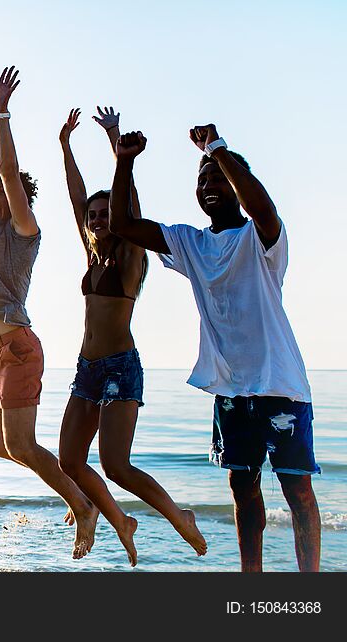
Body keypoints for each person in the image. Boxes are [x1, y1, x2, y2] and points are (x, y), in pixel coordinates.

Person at [109, 125, 320, 572]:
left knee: (297, 492)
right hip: (231, 390)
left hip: (281, 386)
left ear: (237, 183)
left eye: (218, 179)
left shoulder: (262, 239)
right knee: (243, 491)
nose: (209, 187)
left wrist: (217, 150)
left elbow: (263, 207)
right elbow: (123, 225)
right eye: (202, 180)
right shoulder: (192, 243)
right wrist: (124, 161)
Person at [57, 107, 207, 566]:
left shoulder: (128, 257)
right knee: (69, 462)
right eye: (94, 216)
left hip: (120, 369)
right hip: (87, 370)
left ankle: (179, 514)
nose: (99, 219)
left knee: (116, 465)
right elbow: (76, 196)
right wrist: (65, 146)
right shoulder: (92, 255)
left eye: (105, 214)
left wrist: (120, 149)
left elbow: (130, 208)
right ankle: (119, 520)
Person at [0, 66, 99, 560]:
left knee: (21, 445)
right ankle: (77, 494)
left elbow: (5, 170)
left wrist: (1, 114)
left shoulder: (23, 228)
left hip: (17, 348)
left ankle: (83, 505)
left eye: (1, 186)